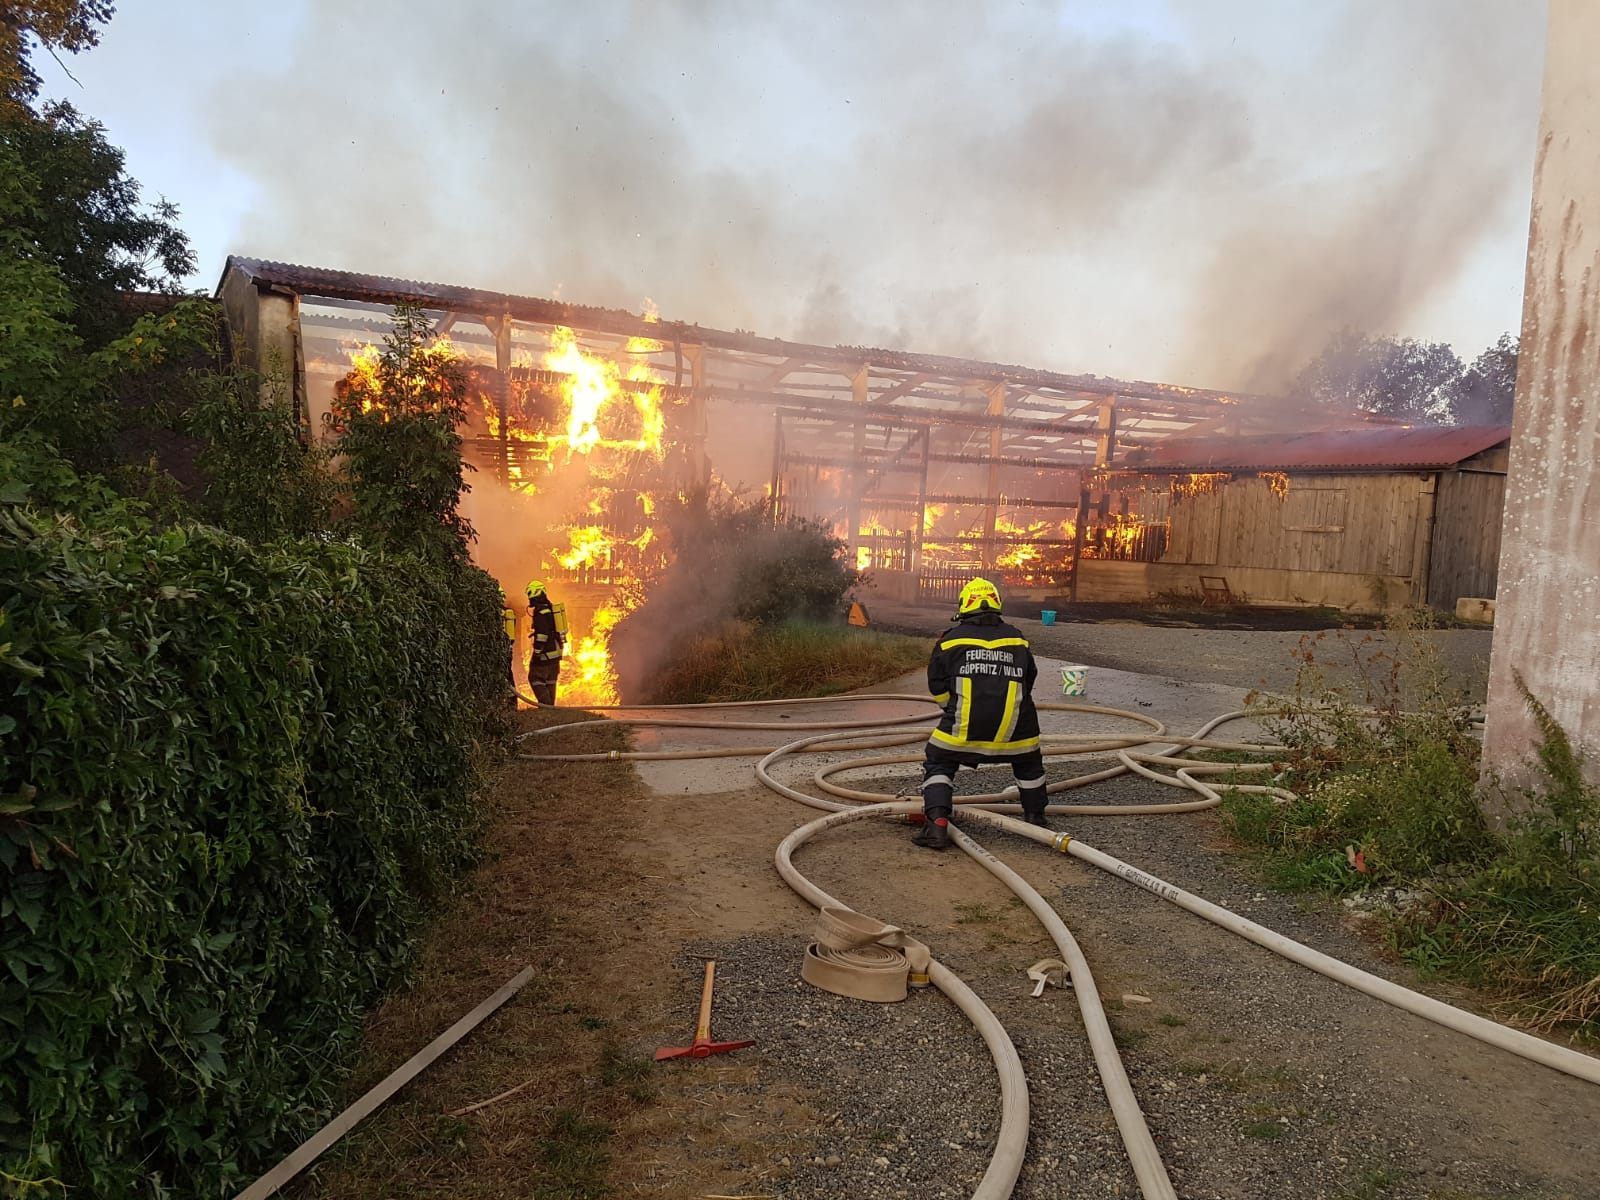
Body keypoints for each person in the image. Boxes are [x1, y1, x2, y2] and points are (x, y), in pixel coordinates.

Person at [913, 577, 1050, 850]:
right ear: (997, 605)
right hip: (1016, 733)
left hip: (962, 733)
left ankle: (937, 824)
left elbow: (937, 686)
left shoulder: (950, 641)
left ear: (965, 606)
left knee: (939, 761)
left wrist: (951, 710)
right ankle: (1036, 818)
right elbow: (1029, 680)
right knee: (1029, 763)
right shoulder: (1018, 639)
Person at [525, 579, 568, 706]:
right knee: (550, 681)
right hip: (555, 653)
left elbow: (542, 635)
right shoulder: (550, 608)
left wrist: (537, 652)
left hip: (546, 653)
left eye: (530, 594)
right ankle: (550, 707)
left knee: (535, 678)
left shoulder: (540, 612)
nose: (529, 598)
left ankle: (545, 705)